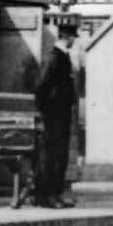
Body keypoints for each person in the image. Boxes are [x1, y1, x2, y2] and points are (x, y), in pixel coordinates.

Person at [34, 22, 78, 209]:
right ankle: (47, 195)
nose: (74, 41)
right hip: (54, 115)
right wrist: (43, 113)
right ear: (66, 37)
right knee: (53, 156)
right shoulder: (55, 58)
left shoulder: (62, 57)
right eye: (73, 38)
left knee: (59, 156)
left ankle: (53, 194)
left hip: (60, 114)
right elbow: (42, 86)